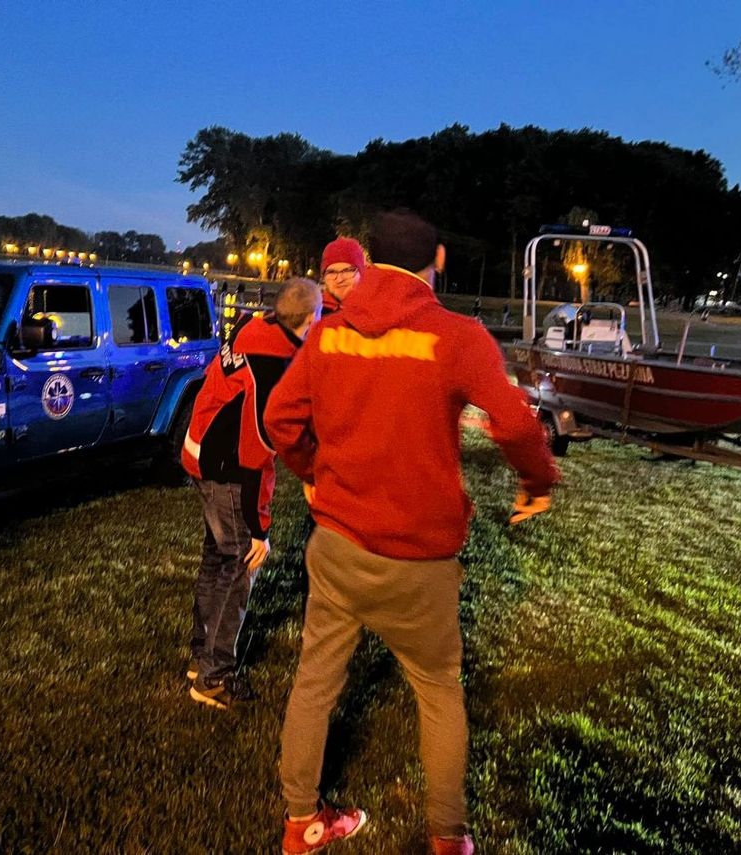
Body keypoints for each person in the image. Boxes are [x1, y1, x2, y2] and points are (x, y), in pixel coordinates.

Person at [265, 210, 559, 854]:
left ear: (370, 263)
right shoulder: (457, 335)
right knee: (438, 691)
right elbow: (514, 423)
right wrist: (538, 483)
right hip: (419, 559)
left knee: (314, 682)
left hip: (338, 544)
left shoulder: (330, 335)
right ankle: (448, 838)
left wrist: (312, 474)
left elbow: (279, 418)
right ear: (440, 259)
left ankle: (300, 823)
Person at [182, 278, 323, 710]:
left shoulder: (252, 327)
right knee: (242, 562)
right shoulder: (271, 367)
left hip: (198, 452)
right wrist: (260, 529)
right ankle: (214, 675)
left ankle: (200, 654)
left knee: (217, 557)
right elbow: (253, 455)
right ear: (309, 320)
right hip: (225, 467)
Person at [319, 237, 365, 316]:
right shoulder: (312, 315)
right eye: (331, 272)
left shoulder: (380, 312)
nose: (339, 279)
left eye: (347, 271)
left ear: (361, 273)